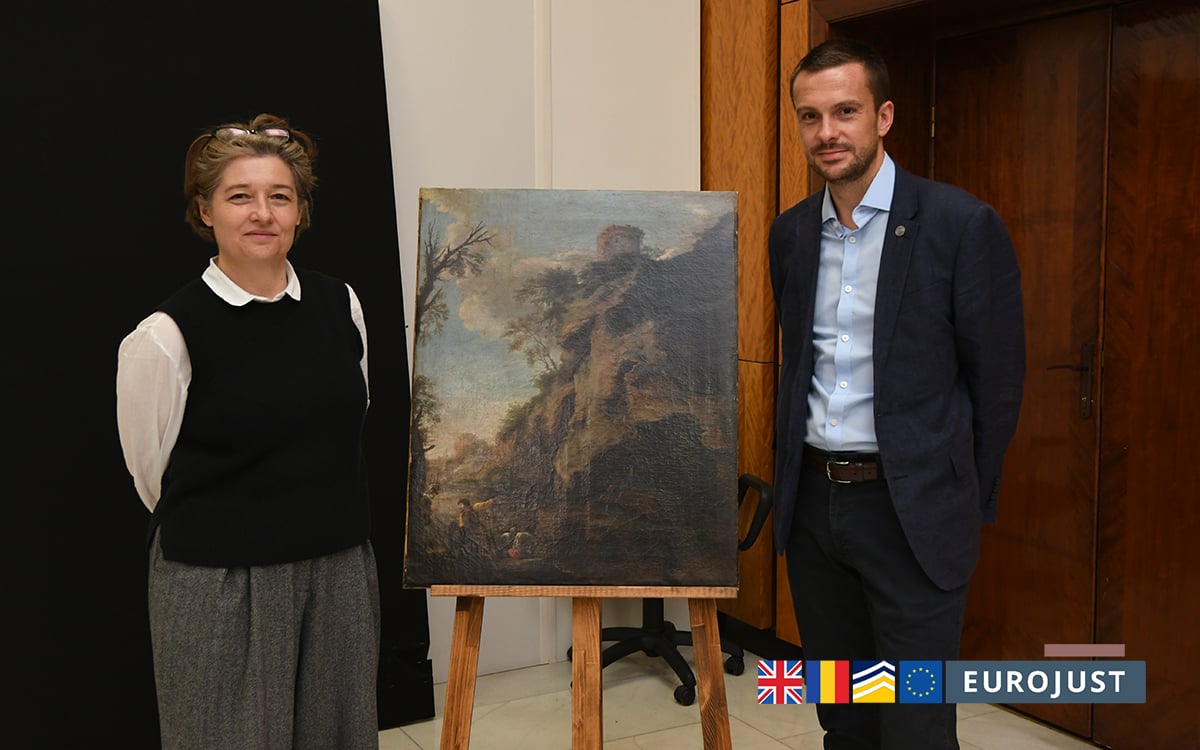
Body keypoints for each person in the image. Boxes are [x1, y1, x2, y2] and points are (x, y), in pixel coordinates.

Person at [769, 40, 1025, 749]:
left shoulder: (958, 224)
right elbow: (799, 370)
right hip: (817, 512)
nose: (827, 132)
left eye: (845, 111)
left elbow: (997, 383)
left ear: (883, 116)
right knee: (844, 714)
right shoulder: (789, 233)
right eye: (810, 115)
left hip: (910, 515)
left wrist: (949, 488)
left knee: (914, 723)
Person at [116, 113, 380, 749]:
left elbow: (350, 422)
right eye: (240, 196)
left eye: (279, 197)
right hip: (221, 583)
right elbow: (152, 478)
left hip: (339, 568)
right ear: (206, 211)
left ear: (299, 212)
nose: (262, 213)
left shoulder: (340, 304)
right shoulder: (165, 336)